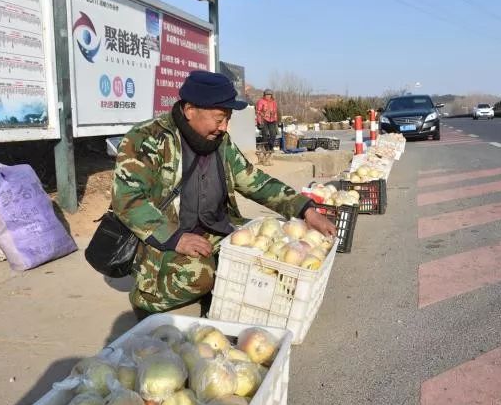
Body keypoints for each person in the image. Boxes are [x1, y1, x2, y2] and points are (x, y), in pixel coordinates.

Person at [112, 71, 336, 317]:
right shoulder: (147, 139)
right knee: (199, 275)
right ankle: (147, 297)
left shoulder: (221, 142)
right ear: (189, 110)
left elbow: (256, 182)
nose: (224, 127)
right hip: (163, 239)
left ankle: (217, 286)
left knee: (270, 248)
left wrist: (306, 209)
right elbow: (128, 200)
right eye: (219, 119)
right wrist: (176, 238)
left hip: (214, 230)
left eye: (227, 119)